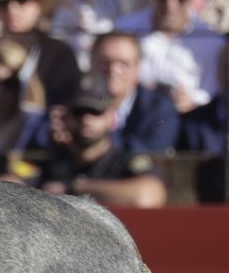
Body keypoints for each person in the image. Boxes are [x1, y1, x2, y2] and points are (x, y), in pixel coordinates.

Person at [20, 31, 181, 157]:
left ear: (137, 69)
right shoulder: (67, 95)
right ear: (91, 63)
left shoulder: (158, 108)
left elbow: (153, 151)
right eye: (105, 63)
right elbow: (35, 139)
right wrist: (52, 136)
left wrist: (91, 139)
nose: (112, 71)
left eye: (123, 65)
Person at [25, 75, 168, 208]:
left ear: (112, 117)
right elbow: (19, 183)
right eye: (78, 112)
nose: (86, 120)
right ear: (64, 117)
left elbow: (147, 196)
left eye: (95, 112)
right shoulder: (54, 162)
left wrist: (74, 188)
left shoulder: (126, 160)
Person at [114, 0, 221, 114]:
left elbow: (215, 100)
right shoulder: (123, 32)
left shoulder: (213, 43)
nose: (170, 5)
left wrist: (194, 103)